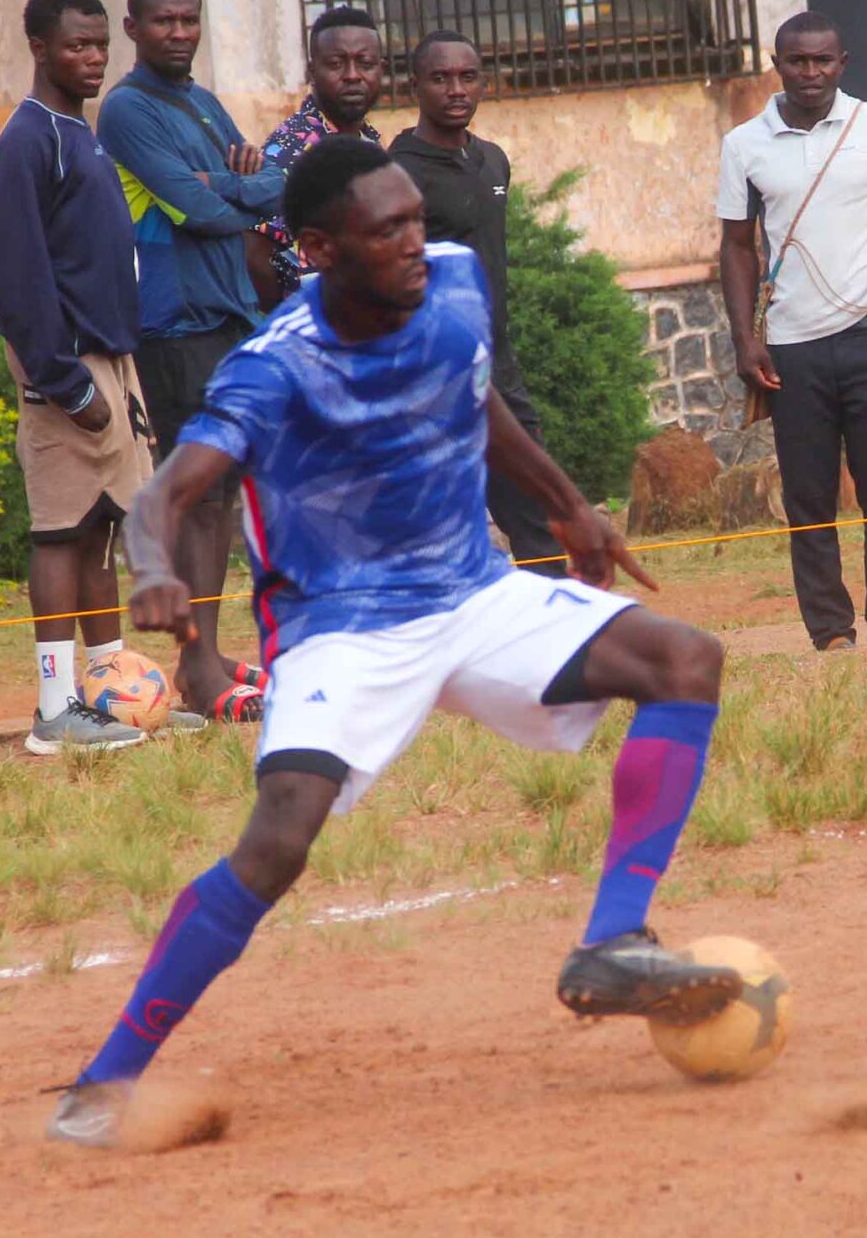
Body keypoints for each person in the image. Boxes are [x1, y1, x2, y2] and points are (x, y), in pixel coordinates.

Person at [45, 137, 740, 1148]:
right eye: (389, 230)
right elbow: (170, 492)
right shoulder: (275, 368)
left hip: (471, 592)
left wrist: (567, 506)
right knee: (279, 838)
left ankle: (613, 942)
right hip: (342, 629)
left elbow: (472, 393)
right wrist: (155, 571)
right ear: (320, 248)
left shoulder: (452, 282)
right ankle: (102, 1084)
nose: (417, 241)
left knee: (683, 659)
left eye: (417, 217)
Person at [719, 11, 867, 652]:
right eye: (798, 61)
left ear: (842, 63)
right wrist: (745, 339)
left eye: (823, 60)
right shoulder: (743, 145)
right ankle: (829, 631)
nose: (811, 72)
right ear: (777, 64)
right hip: (790, 347)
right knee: (808, 497)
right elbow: (737, 247)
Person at [0, 0, 171, 756]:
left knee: (99, 525)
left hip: (111, 359)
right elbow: (13, 265)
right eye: (76, 46)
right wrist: (63, 378)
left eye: (100, 46)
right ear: (39, 48)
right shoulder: (30, 138)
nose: (93, 59)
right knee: (61, 531)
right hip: (69, 367)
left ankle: (108, 690)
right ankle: (55, 709)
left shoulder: (81, 133)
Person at [98, 0, 283, 723]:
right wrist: (224, 188)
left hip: (229, 315)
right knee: (199, 495)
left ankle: (205, 654)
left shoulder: (203, 102)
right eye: (163, 21)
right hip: (174, 325)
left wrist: (226, 185)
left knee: (222, 493)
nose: (179, 32)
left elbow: (275, 184)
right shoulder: (126, 110)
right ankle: (198, 670)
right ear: (133, 29)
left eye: (188, 19)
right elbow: (198, 210)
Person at [389, 29, 563, 576]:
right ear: (415, 86)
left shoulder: (493, 160)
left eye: (468, 77)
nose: (456, 90)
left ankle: (550, 620)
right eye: (440, 78)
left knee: (538, 513)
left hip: (498, 365)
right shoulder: (398, 173)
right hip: (432, 373)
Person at [251, 4, 385, 308]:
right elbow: (255, 254)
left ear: (382, 68)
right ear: (312, 72)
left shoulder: (369, 142)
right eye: (336, 64)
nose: (352, 76)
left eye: (365, 63)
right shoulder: (293, 150)